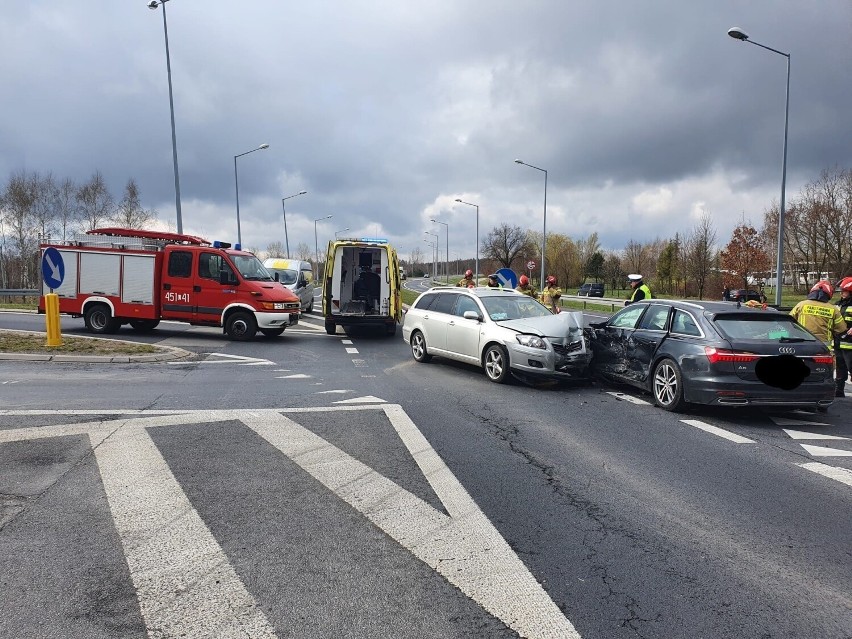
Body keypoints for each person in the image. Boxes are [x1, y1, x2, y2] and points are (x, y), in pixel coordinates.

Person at [789, 281, 847, 353]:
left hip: (802, 344)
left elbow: (789, 321)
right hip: (824, 347)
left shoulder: (801, 305)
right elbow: (842, 329)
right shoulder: (833, 309)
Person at [833, 276, 852, 397]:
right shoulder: (837, 304)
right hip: (838, 342)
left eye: (844, 291)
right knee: (840, 369)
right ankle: (839, 391)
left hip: (850, 344)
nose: (842, 293)